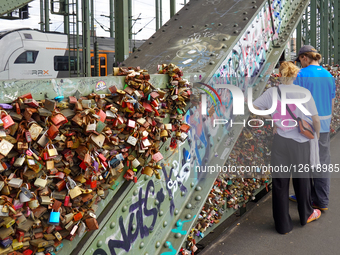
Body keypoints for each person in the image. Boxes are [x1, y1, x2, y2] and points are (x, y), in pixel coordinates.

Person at [253, 61, 321, 234]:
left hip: (280, 141)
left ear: (279, 74)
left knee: (280, 183)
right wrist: (317, 135)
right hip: (300, 143)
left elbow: (254, 108)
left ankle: (283, 225)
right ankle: (306, 215)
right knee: (302, 180)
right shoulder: (304, 93)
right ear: (295, 75)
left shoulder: (272, 92)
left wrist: (274, 120)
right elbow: (315, 119)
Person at [290, 45, 336, 211]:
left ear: (304, 58)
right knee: (321, 162)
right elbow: (331, 103)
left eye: (299, 61)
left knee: (303, 163)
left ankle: (305, 196)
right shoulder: (329, 76)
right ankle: (322, 201)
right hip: (323, 126)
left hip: (304, 126)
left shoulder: (300, 75)